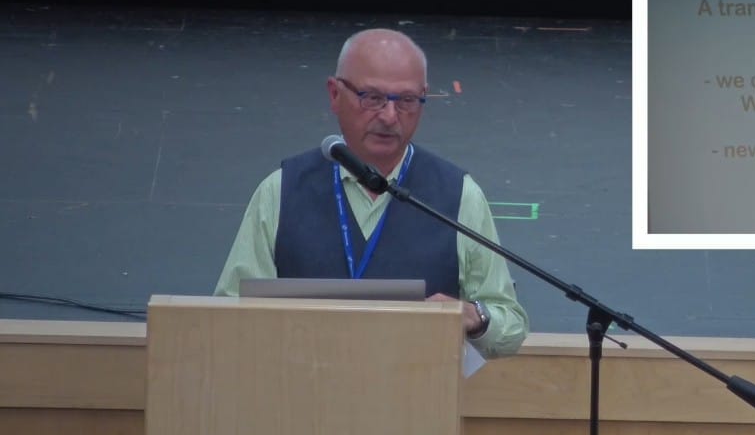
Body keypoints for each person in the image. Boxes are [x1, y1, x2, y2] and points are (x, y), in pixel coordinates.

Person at [215, 28, 528, 359]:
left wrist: (476, 318)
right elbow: (228, 315)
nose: (389, 116)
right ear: (335, 94)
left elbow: (509, 326)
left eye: (406, 100)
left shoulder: (459, 195)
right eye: (373, 98)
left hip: (416, 388)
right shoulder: (280, 191)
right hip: (299, 384)